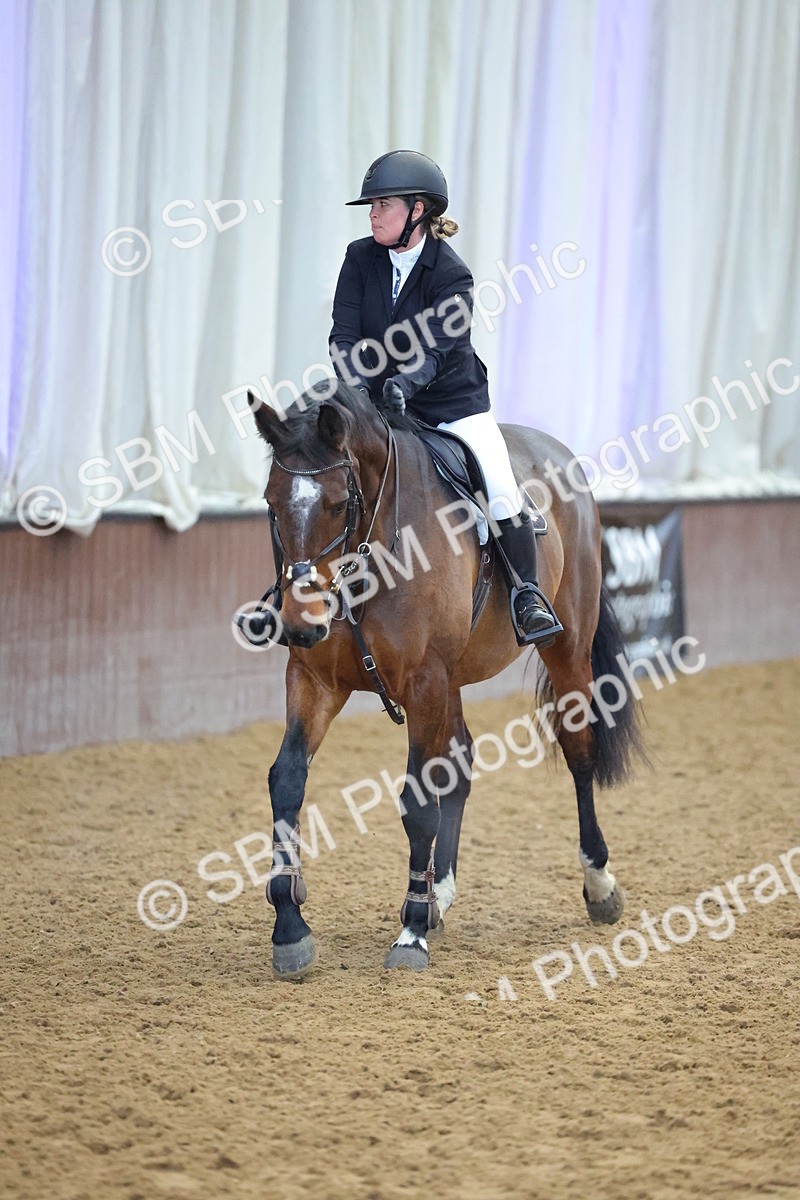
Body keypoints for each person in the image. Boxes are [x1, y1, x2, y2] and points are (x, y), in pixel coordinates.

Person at [329, 149, 559, 647]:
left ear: (418, 211)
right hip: (376, 400)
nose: (373, 214)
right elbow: (343, 335)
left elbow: (436, 348)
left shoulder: (451, 275)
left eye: (383, 204)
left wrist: (402, 385)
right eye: (371, 205)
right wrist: (358, 388)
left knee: (497, 482)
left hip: (451, 404)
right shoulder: (358, 257)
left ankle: (527, 594)